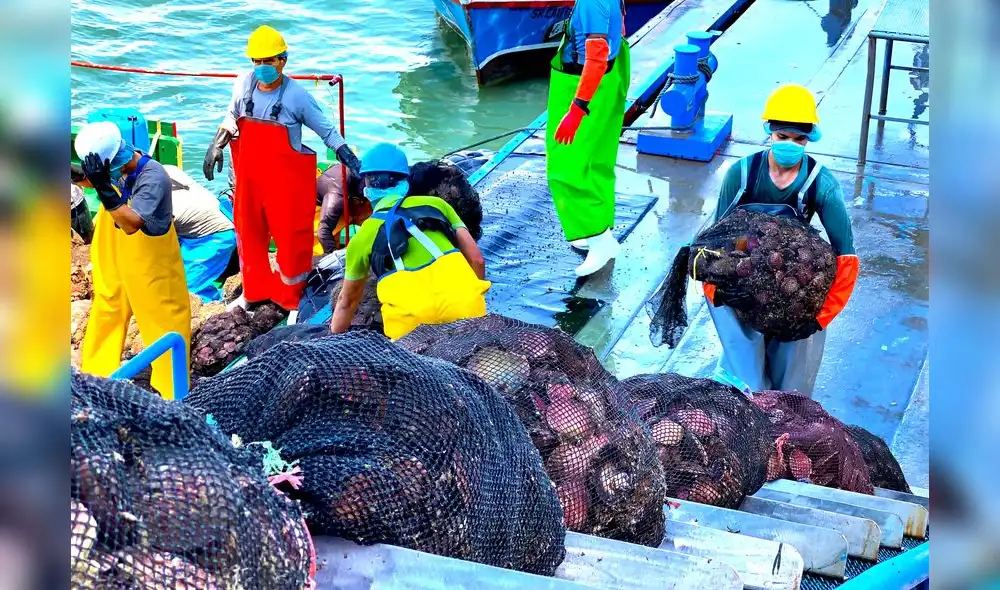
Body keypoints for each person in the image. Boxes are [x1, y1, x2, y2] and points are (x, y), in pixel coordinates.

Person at [704, 84, 859, 397]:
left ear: (809, 139)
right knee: (746, 383)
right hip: (742, 282)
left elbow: (847, 258)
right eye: (782, 137)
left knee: (791, 388)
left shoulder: (821, 185)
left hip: (793, 288)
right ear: (769, 133)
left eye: (799, 139)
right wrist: (718, 290)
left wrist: (820, 317)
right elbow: (711, 243)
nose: (790, 145)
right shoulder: (742, 174)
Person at [202, 25, 363, 310]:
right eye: (256, 61)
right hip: (249, 181)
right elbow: (231, 114)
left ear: (282, 60)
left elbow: (327, 131)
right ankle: (253, 293)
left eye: (268, 61)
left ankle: (290, 299)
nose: (261, 67)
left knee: (291, 241)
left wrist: (349, 157)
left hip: (285, 186)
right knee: (248, 235)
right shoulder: (243, 84)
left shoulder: (297, 97)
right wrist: (217, 143)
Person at [75, 121, 191, 399]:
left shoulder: (153, 176)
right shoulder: (116, 167)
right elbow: (93, 180)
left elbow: (131, 224)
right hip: (114, 248)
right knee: (108, 306)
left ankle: (171, 394)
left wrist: (103, 188)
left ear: (116, 161)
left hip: (150, 255)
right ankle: (95, 379)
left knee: (163, 319)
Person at [331, 143, 490, 340]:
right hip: (469, 313)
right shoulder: (437, 205)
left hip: (410, 332)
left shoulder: (361, 238)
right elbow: (477, 260)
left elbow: (347, 301)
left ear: (366, 185)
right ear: (406, 180)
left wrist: (333, 338)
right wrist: (473, 296)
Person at [546, 0, 631, 277]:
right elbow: (619, 29)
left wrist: (576, 110)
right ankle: (598, 229)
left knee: (567, 169)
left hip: (585, 88)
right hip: (608, 81)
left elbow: (595, 59)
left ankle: (600, 241)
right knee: (597, 162)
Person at [315, 163, 369, 253]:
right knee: (324, 245)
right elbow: (323, 231)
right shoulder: (336, 197)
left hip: (351, 198)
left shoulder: (364, 169)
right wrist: (335, 258)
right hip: (323, 206)